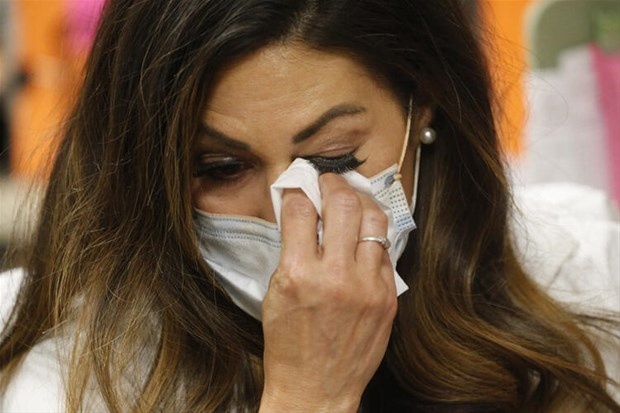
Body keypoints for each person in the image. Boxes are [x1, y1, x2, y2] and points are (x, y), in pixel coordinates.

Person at [1, 0, 619, 411]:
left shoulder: (578, 286)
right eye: (221, 168)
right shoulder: (75, 377)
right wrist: (308, 396)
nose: (286, 214)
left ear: (423, 108)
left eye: (333, 158)